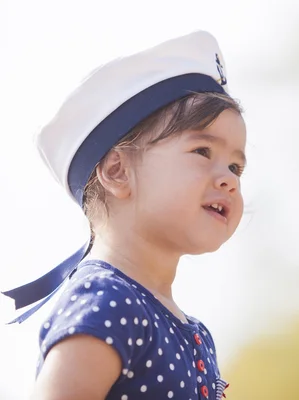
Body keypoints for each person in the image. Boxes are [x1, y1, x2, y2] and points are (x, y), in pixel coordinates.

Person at [2, 30, 245, 399]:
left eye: (235, 167)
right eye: (202, 152)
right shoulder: (107, 300)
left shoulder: (190, 328)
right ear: (117, 171)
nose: (228, 179)